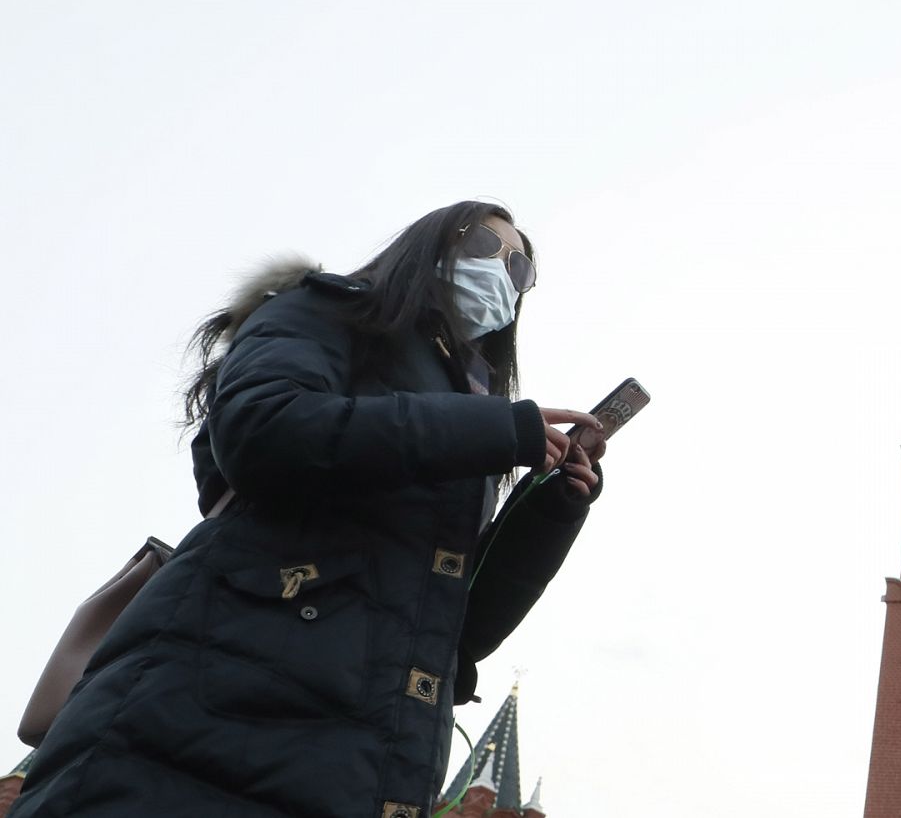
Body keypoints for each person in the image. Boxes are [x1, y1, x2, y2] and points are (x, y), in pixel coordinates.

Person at [12, 201, 607, 818]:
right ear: (430, 243)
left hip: (355, 761)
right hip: (201, 719)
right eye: (485, 245)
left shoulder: (469, 407)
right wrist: (492, 430)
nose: (501, 274)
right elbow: (261, 429)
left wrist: (551, 510)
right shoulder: (327, 310)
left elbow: (457, 629)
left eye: (519, 271)